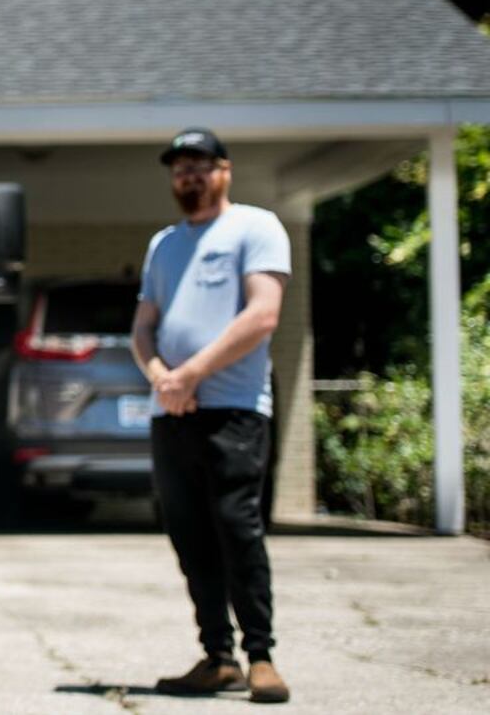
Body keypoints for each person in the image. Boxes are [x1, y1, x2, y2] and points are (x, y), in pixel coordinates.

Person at [130, 128, 292, 705]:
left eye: (199, 165)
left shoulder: (255, 227)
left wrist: (190, 374)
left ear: (225, 170)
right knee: (190, 537)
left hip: (234, 412)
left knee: (237, 531)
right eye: (179, 169)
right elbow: (143, 328)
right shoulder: (164, 243)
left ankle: (262, 657)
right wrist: (161, 380)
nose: (188, 176)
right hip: (172, 412)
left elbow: (263, 315)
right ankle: (217, 657)